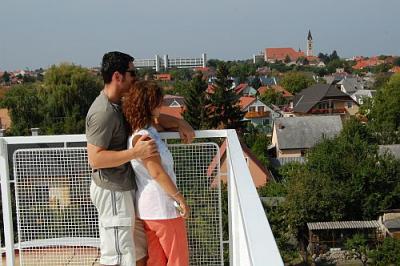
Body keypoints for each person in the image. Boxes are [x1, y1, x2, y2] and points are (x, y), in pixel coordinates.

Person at [86, 51, 194, 266]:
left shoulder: (120, 107)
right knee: (117, 255)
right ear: (118, 76)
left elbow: (148, 117)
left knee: (138, 256)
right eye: (133, 73)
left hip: (132, 194)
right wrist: (136, 153)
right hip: (113, 190)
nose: (136, 78)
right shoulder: (103, 112)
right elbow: (95, 160)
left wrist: (179, 122)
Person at [122, 81, 190, 266]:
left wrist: (180, 123)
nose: (162, 106)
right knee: (178, 260)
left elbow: (162, 123)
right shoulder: (144, 138)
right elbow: (157, 173)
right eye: (159, 102)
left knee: (157, 261)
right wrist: (180, 199)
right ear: (148, 105)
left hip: (150, 210)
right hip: (163, 208)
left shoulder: (145, 130)